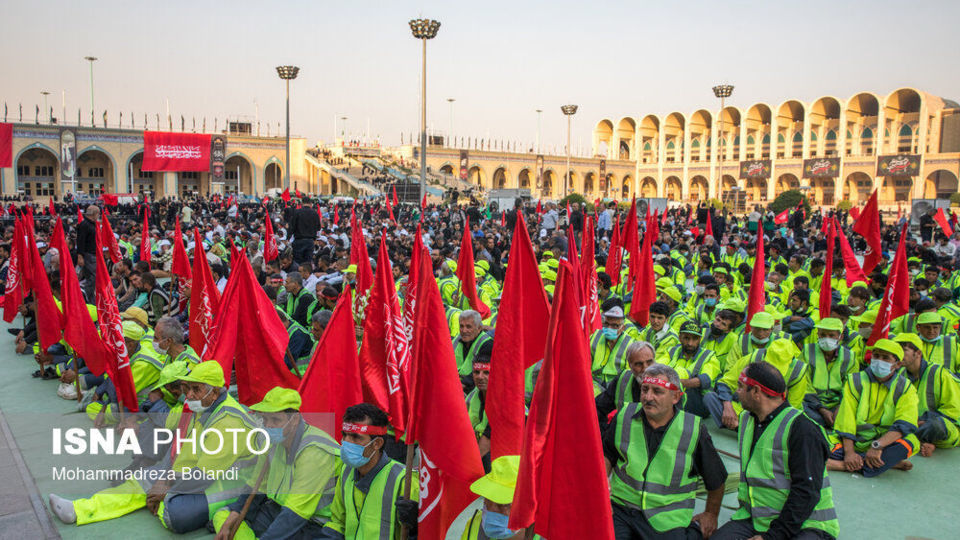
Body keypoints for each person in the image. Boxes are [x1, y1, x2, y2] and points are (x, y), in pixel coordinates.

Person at [50, 362, 262, 533]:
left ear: (214, 393)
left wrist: (167, 487)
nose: (188, 395)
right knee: (144, 480)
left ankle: (159, 500)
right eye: (188, 388)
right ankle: (79, 509)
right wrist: (166, 478)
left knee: (175, 514)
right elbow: (186, 454)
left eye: (196, 389)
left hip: (235, 483)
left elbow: (203, 476)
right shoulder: (203, 408)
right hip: (205, 473)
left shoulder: (228, 421)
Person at [713, 362, 839, 540]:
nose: (736, 392)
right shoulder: (747, 420)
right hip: (757, 518)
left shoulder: (802, 430)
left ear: (756, 392)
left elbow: (806, 493)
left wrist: (772, 537)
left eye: (741, 387)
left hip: (806, 524)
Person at [603, 364, 726, 540]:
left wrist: (711, 514)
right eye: (644, 389)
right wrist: (602, 488)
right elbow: (607, 454)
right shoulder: (624, 416)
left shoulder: (692, 430)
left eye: (657, 391)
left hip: (666, 516)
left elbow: (717, 479)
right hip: (621, 507)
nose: (647, 397)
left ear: (676, 397)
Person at [213, 387, 340, 540]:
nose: (268, 426)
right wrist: (233, 516)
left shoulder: (314, 451)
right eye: (265, 419)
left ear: (294, 420)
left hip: (314, 523)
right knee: (223, 515)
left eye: (275, 420)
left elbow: (295, 513)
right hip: (279, 509)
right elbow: (256, 486)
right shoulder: (274, 441)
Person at [321, 403, 419, 539]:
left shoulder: (404, 481)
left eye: (355, 437)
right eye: (345, 435)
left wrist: (415, 527)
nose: (346, 442)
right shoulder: (346, 471)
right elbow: (338, 522)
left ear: (377, 444)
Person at [827, 339, 919, 477]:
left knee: (911, 442)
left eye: (885, 358)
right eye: (876, 356)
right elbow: (847, 419)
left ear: (898, 364)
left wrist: (878, 446)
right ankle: (884, 463)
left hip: (885, 442)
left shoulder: (905, 388)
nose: (879, 360)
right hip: (855, 440)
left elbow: (904, 424)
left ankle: (839, 465)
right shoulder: (854, 380)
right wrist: (850, 453)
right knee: (823, 443)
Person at [894, 333, 960, 456]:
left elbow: (953, 410)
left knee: (936, 425)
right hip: (912, 422)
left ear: (918, 353)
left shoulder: (939, 373)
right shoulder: (899, 374)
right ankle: (923, 442)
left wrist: (923, 419)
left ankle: (915, 440)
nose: (898, 354)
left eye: (903, 350)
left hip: (944, 424)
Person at [460, 456, 534, 540]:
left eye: (502, 505)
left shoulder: (548, 534)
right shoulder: (474, 527)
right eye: (487, 500)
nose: (490, 510)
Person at [801, 318, 857, 429]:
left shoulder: (850, 357)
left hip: (838, 404)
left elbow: (850, 386)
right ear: (818, 335)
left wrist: (840, 407)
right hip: (811, 403)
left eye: (831, 335)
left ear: (840, 337)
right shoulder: (807, 351)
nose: (827, 339)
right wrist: (821, 409)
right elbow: (804, 383)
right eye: (822, 335)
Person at [665, 321, 720, 418]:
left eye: (695, 339)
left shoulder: (709, 356)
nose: (690, 343)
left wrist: (670, 383)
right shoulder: (671, 351)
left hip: (698, 400)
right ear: (679, 337)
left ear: (700, 339)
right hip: (672, 393)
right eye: (686, 338)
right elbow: (657, 369)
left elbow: (702, 381)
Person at [590, 305, 637, 386]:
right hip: (594, 382)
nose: (609, 328)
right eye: (606, 324)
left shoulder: (631, 344)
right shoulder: (594, 336)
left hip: (616, 385)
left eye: (615, 325)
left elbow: (629, 375)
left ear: (623, 328)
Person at [453, 310, 494, 391]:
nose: (464, 330)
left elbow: (481, 373)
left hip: (473, 388)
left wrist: (459, 387)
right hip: (455, 384)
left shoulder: (487, 344)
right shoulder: (456, 340)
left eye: (468, 327)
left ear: (479, 328)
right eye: (461, 326)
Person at [77, 204, 100, 302]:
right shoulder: (84, 225)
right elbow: (80, 241)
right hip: (88, 255)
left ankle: (90, 298)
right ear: (94, 214)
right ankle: (86, 298)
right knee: (93, 278)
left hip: (92, 254)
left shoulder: (91, 224)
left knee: (93, 278)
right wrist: (80, 256)